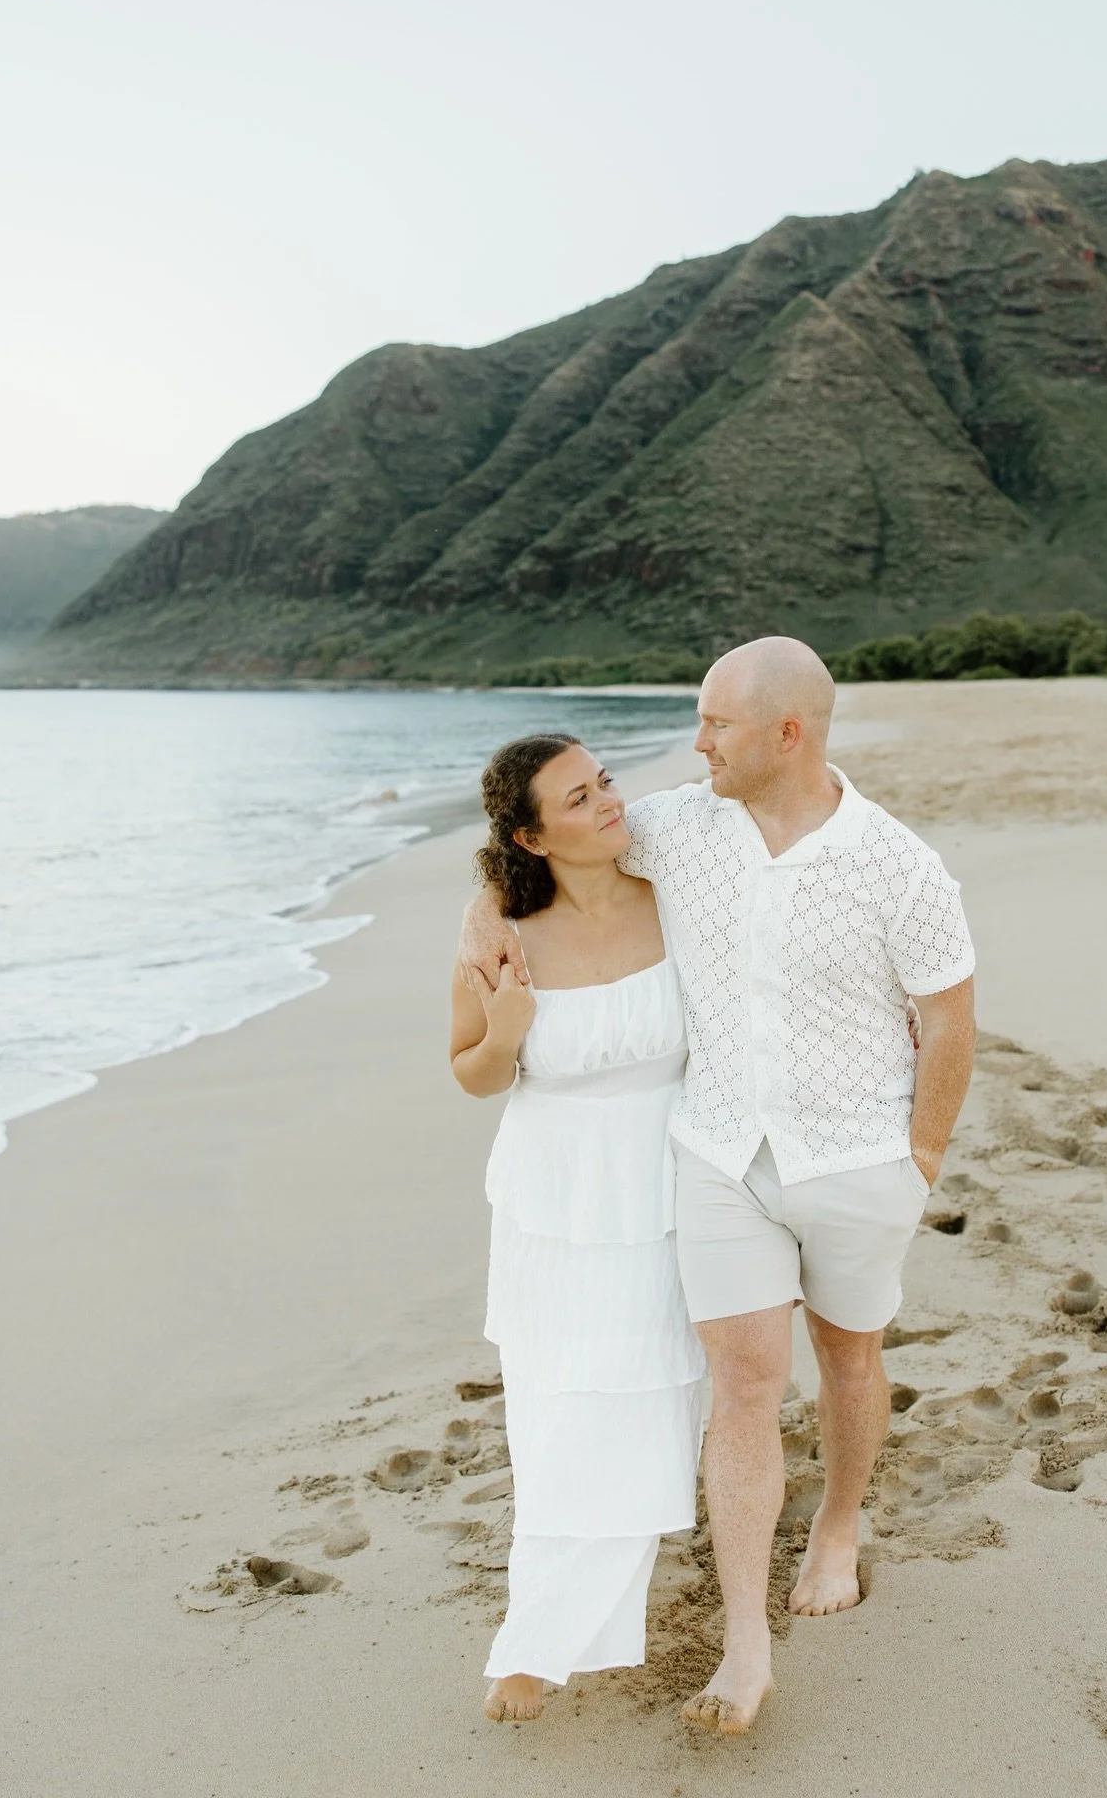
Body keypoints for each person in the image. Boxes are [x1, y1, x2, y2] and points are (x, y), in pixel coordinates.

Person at [461, 638, 977, 1736]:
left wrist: (919, 1160)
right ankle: (747, 1647)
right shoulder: (678, 828)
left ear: (786, 733)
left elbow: (949, 1020)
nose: (695, 745)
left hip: (854, 1162)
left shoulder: (900, 865)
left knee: (849, 1356)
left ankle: (839, 1519)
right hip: (718, 1156)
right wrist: (482, 915)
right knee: (743, 1385)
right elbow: (536, 846)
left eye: (716, 725)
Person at [450, 733, 705, 1724]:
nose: (608, 802)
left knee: (651, 1397)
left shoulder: (673, 896)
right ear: (530, 834)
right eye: (578, 797)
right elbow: (471, 1070)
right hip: (555, 1193)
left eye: (605, 782)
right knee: (557, 1410)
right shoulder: (501, 926)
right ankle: (538, 1642)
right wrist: (507, 1027)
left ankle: (613, 1583)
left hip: (671, 1174)